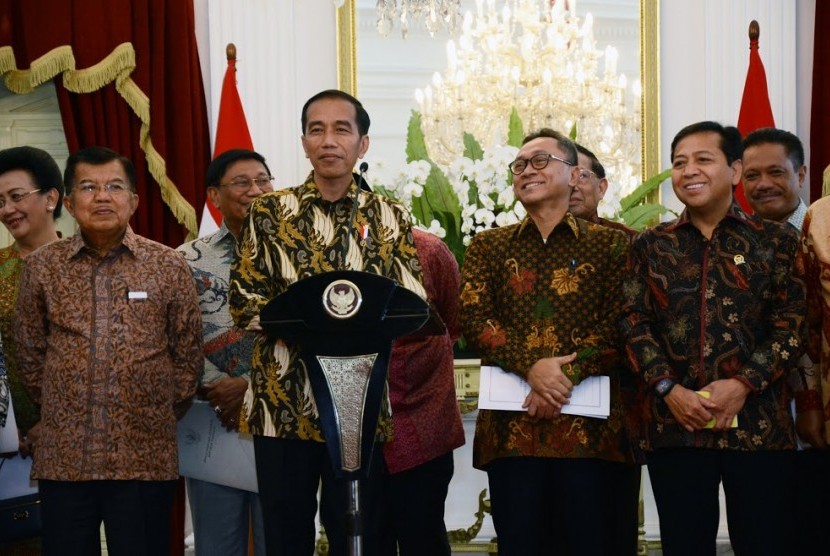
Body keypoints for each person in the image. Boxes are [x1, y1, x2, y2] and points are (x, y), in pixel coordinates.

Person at [228, 89, 426, 556]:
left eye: (342, 129)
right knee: (285, 531)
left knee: (359, 532)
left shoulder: (389, 215)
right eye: (317, 129)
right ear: (303, 142)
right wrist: (319, 322)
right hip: (283, 403)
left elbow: (411, 304)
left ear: (363, 144)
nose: (328, 140)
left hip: (360, 402)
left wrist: (332, 323)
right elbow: (243, 301)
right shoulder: (270, 213)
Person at [622, 121, 804, 555]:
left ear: (735, 171)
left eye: (703, 159)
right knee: (685, 544)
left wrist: (742, 385)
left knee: (764, 542)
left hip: (759, 424)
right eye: (679, 163)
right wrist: (669, 389)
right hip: (676, 425)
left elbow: (792, 323)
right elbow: (633, 322)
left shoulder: (776, 241)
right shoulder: (650, 245)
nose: (689, 171)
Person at [14, 146, 203, 555]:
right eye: (88, 187)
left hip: (143, 456)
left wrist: (150, 408)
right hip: (65, 459)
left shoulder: (168, 265)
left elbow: (188, 357)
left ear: (134, 200)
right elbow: (29, 353)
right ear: (67, 202)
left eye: (114, 186)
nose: (102, 197)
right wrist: (64, 406)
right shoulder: (41, 267)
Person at [459, 128, 634, 555]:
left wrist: (562, 376)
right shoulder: (488, 246)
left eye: (540, 161)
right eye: (519, 165)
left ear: (574, 175)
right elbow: (473, 318)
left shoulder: (612, 244)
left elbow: (621, 323)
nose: (527, 170)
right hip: (511, 433)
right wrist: (533, 370)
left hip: (590, 436)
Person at [177, 149, 272, 556]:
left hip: (280, 420)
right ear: (214, 196)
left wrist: (250, 386)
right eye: (242, 182)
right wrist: (222, 388)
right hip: (216, 417)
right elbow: (174, 338)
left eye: (264, 180)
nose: (256, 190)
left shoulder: (298, 257)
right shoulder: (184, 261)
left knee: (284, 541)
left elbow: (310, 335)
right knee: (217, 545)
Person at [569, 143, 642, 554]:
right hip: (539, 416)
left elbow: (635, 325)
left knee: (610, 534)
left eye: (584, 175)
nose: (573, 184)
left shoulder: (629, 244)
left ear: (602, 187)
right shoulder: (509, 247)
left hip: (614, 421)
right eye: (568, 173)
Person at [380, 227, 465, 556]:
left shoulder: (428, 250)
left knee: (424, 538)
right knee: (368, 538)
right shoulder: (328, 253)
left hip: (423, 425)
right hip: (358, 430)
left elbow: (452, 324)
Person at [0, 146, 64, 459]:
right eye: (0, 202)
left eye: (16, 196)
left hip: (91, 437)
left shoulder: (89, 265)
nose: (7, 210)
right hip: (13, 444)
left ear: (51, 199)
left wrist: (55, 423)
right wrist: (15, 428)